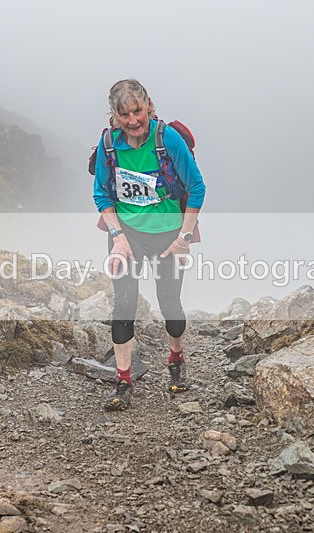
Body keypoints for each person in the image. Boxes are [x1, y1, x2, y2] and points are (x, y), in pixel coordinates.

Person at [92, 79, 206, 411]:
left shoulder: (166, 138)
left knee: (169, 304)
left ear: (149, 105)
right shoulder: (108, 144)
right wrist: (118, 238)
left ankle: (176, 357)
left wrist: (184, 239)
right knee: (123, 305)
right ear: (113, 114)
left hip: (169, 235)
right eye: (123, 114)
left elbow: (197, 188)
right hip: (127, 236)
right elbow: (101, 193)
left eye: (137, 111)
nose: (132, 120)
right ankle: (123, 381)